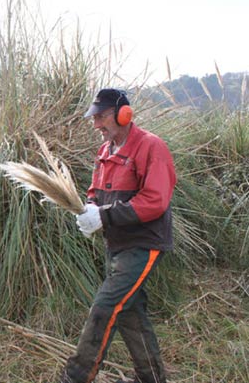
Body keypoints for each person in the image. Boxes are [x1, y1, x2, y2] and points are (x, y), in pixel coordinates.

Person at [59, 89, 176, 383]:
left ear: (124, 114)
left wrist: (105, 216)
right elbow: (96, 192)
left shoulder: (151, 147)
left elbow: (155, 200)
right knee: (130, 312)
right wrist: (89, 208)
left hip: (143, 243)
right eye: (93, 118)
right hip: (117, 243)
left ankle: (74, 377)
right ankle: (152, 378)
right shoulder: (105, 150)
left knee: (106, 306)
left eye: (101, 117)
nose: (96, 124)